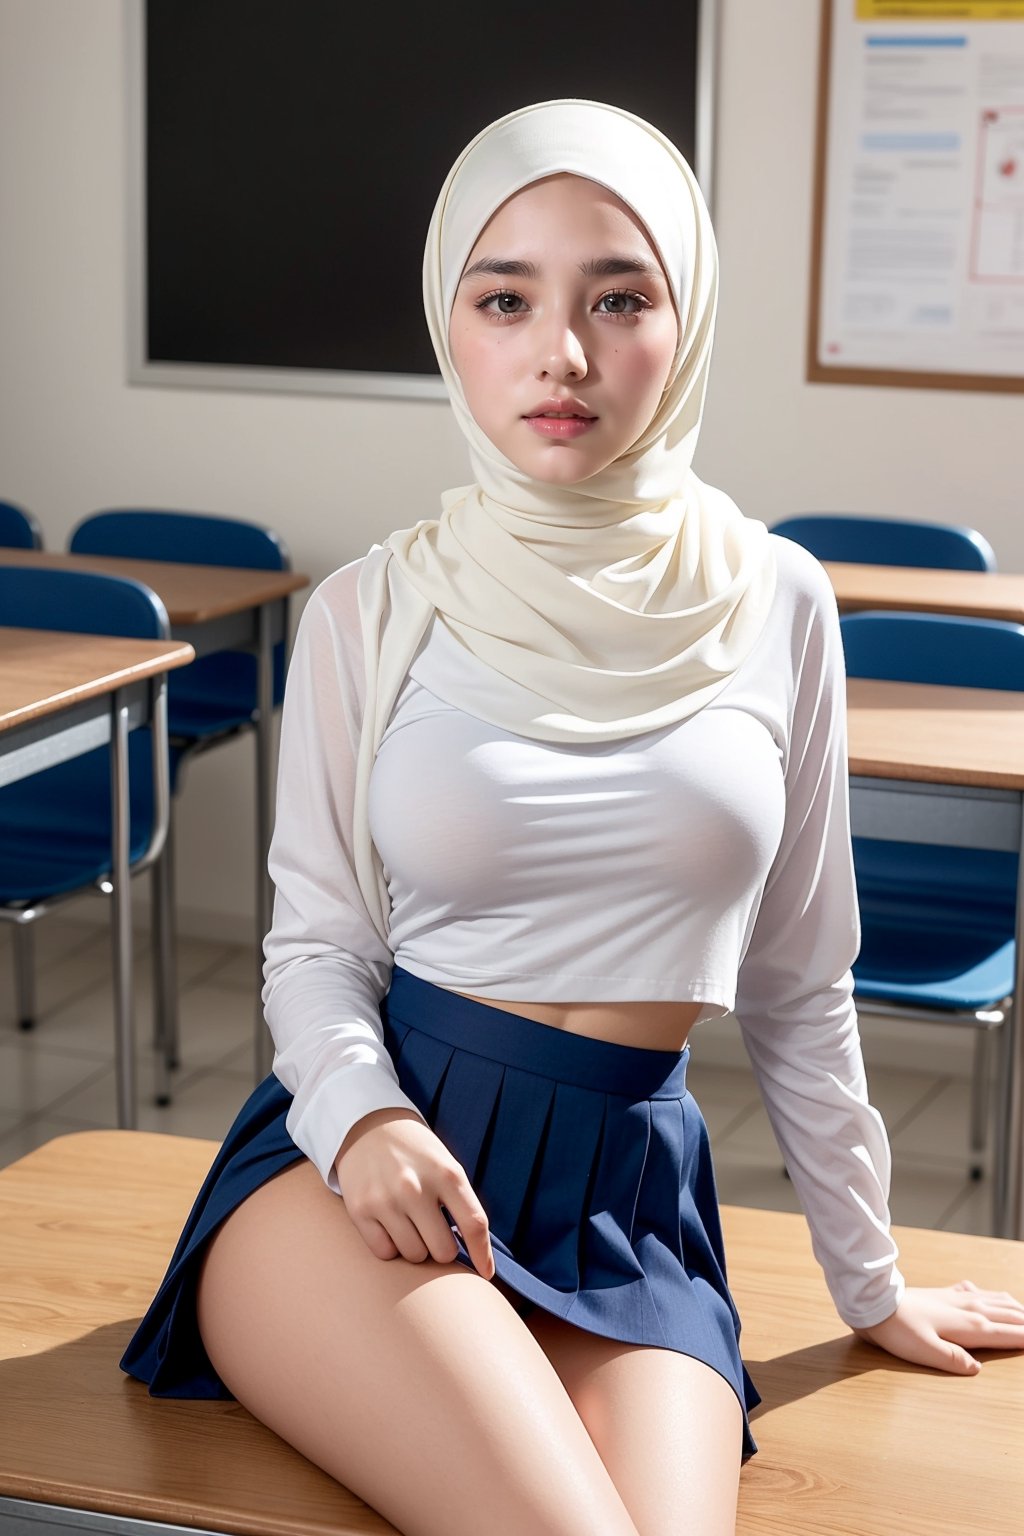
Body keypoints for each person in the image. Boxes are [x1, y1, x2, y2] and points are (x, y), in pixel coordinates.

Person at [121, 99, 1024, 1536]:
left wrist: (872, 1279)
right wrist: (359, 1125)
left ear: (687, 317)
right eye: (506, 298)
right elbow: (314, 951)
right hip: (368, 1174)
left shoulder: (777, 598)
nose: (563, 352)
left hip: (625, 1199)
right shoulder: (375, 606)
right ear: (448, 323)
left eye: (620, 295)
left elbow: (800, 981)